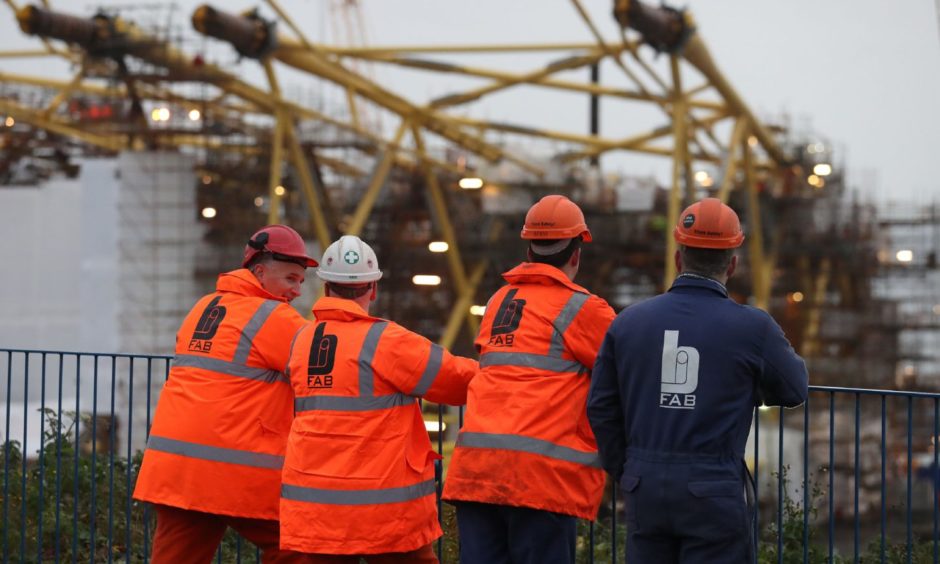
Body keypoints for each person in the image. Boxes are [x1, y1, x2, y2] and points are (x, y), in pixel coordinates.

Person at [587, 197, 809, 563]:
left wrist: (626, 469)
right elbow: (794, 389)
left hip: (644, 485)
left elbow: (601, 406)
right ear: (733, 264)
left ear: (678, 258)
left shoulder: (628, 322)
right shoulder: (752, 328)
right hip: (713, 489)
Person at [279, 235, 478, 563]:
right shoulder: (388, 341)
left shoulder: (301, 341)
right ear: (373, 289)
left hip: (317, 509)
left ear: (326, 288)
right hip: (385, 512)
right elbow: (457, 381)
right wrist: (506, 371)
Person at [442, 195, 616, 564]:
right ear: (576, 252)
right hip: (540, 481)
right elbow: (630, 371)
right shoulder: (584, 309)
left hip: (476, 473)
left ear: (529, 248)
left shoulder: (498, 301)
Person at [134, 224, 318, 564]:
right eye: (291, 279)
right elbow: (329, 366)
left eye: (300, 282)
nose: (297, 291)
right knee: (302, 547)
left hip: (177, 467)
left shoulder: (204, 306)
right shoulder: (273, 316)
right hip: (233, 471)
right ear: (260, 272)